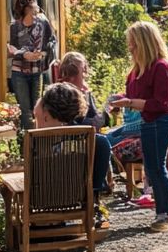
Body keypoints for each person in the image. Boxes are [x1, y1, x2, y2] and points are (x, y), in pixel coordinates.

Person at [108, 21, 168, 232]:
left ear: (144, 43)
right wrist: (118, 102)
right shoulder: (136, 70)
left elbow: (161, 103)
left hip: (161, 120)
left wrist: (129, 103)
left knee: (157, 166)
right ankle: (163, 211)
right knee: (151, 167)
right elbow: (132, 97)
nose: (130, 47)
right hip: (147, 121)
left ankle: (167, 213)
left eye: (133, 43)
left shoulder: (160, 67)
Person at [33, 82, 111, 229]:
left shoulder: (38, 139)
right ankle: (94, 201)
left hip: (42, 196)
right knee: (101, 142)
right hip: (77, 196)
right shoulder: (88, 140)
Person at [8, 0, 56, 131]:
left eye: (35, 5)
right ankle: (28, 143)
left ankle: (37, 139)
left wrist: (43, 54)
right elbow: (12, 48)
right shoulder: (15, 26)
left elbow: (51, 42)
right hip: (19, 72)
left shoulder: (43, 22)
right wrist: (24, 54)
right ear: (25, 9)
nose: (36, 8)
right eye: (33, 6)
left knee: (37, 108)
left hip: (37, 70)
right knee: (25, 109)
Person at [58, 52, 106, 129]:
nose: (84, 75)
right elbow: (68, 123)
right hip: (75, 135)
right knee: (103, 140)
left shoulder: (87, 92)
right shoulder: (65, 94)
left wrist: (101, 116)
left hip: (90, 133)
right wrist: (91, 123)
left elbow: (94, 114)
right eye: (82, 71)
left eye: (84, 70)